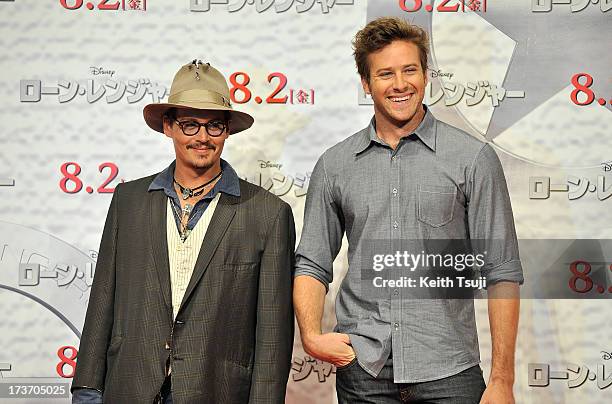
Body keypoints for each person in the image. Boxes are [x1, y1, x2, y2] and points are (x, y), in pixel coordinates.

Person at [294, 18, 523, 404]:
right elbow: (312, 263)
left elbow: (501, 271)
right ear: (366, 84)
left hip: (449, 371)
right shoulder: (335, 165)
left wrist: (502, 379)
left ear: (427, 75)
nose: (400, 84)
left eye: (409, 70)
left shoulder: (473, 158)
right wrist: (312, 336)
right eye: (385, 73)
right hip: (364, 373)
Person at [71, 60, 295, 404]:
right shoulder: (128, 201)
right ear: (168, 126)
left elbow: (273, 335)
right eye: (190, 125)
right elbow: (103, 300)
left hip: (217, 391)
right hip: (129, 385)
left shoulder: (268, 214)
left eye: (214, 126)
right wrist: (87, 388)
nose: (202, 138)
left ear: (227, 131)